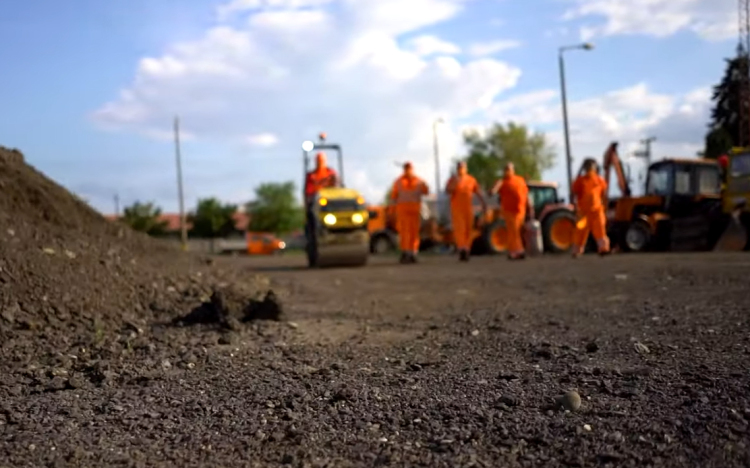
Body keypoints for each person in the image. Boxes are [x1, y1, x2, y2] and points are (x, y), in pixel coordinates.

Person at [445, 161, 486, 261]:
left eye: (463, 167)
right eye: (459, 167)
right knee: (460, 230)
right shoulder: (452, 180)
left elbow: (478, 191)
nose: (461, 169)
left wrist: (483, 203)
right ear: (457, 169)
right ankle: (462, 249)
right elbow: (447, 191)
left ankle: (467, 248)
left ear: (466, 168)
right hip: (457, 209)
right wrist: (455, 183)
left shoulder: (471, 180)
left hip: (468, 208)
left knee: (468, 229)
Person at [491, 162, 533, 260]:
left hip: (520, 211)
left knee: (517, 232)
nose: (508, 171)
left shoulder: (520, 180)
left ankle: (514, 252)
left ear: (513, 170)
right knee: (513, 232)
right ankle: (518, 251)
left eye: (509, 169)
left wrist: (530, 208)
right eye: (506, 169)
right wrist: (496, 186)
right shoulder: (502, 182)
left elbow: (526, 195)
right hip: (509, 211)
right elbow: (493, 191)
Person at [390, 162, 429, 264]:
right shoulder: (398, 182)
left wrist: (425, 185)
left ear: (412, 169)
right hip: (403, 212)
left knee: (414, 233)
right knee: (404, 233)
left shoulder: (419, 181)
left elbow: (426, 191)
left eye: (410, 168)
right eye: (406, 168)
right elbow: (393, 197)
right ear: (404, 169)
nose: (408, 170)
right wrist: (392, 211)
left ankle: (413, 253)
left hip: (414, 212)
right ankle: (405, 252)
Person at [571, 158, 610, 257]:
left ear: (595, 167)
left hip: (597, 211)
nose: (589, 168)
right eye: (587, 166)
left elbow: (604, 194)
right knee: (580, 232)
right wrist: (575, 208)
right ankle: (577, 251)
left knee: (600, 230)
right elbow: (574, 193)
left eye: (591, 166)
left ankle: (603, 249)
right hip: (583, 212)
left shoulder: (599, 180)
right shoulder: (580, 181)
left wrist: (605, 207)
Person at [303, 152, 338, 239]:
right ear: (315, 161)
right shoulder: (311, 175)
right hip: (317, 199)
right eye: (318, 160)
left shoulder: (331, 172)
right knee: (313, 211)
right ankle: (319, 228)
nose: (320, 162)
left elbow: (335, 184)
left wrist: (334, 181)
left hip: (331, 198)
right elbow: (308, 190)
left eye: (322, 160)